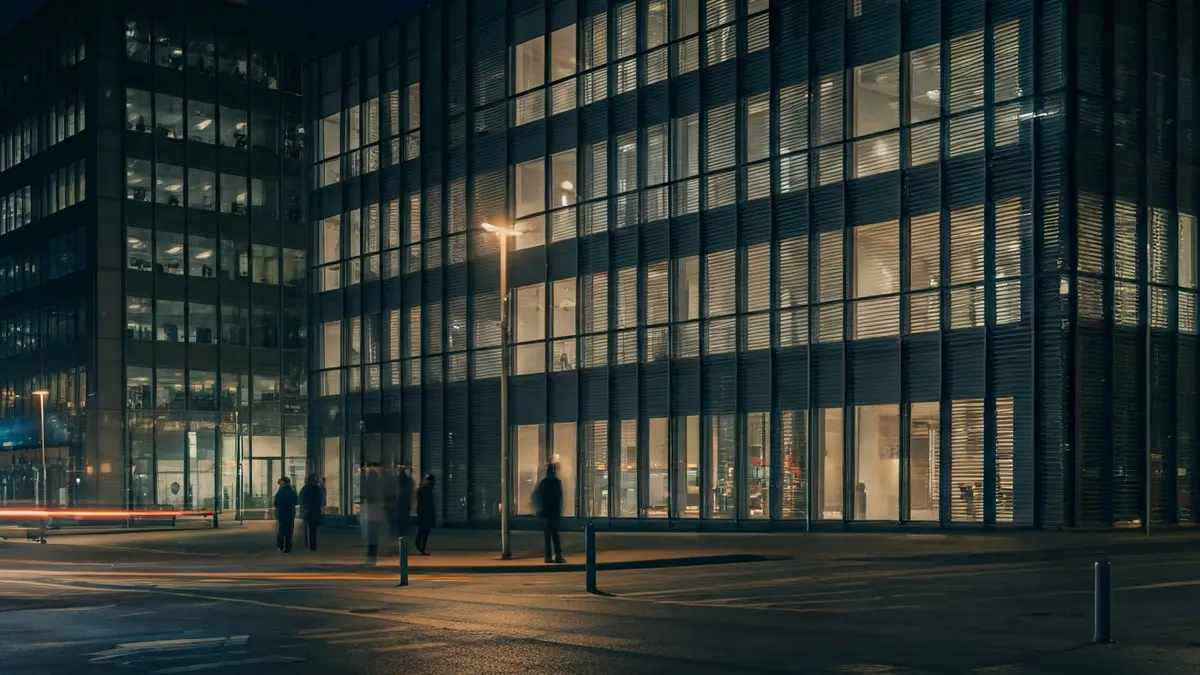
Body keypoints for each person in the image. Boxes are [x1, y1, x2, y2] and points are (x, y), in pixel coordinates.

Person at [533, 463, 565, 563]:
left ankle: (548, 556)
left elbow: (536, 495)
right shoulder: (557, 482)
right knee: (555, 534)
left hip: (546, 512)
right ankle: (558, 555)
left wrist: (539, 507)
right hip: (554, 512)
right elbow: (560, 499)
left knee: (547, 535)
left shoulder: (544, 482)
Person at [273, 476, 298, 553]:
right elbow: (296, 501)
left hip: (282, 512)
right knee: (289, 531)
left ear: (283, 482)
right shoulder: (292, 491)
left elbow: (276, 502)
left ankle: (281, 545)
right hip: (290, 512)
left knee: (281, 529)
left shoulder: (281, 491)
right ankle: (288, 547)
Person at [298, 474, 323, 551]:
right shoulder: (317, 488)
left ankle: (309, 544)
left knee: (309, 529)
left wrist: (304, 506)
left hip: (308, 511)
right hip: (314, 511)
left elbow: (301, 498)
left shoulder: (306, 488)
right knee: (313, 530)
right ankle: (313, 545)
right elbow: (320, 500)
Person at [414, 474, 436, 555]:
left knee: (422, 530)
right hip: (426, 513)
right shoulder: (428, 490)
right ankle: (421, 547)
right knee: (425, 531)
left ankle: (419, 546)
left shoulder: (421, 489)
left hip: (422, 513)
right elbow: (430, 504)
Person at [395, 466, 415, 551]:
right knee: (405, 525)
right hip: (406, 505)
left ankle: (400, 542)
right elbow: (412, 492)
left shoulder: (397, 480)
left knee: (400, 526)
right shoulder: (409, 481)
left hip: (399, 506)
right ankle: (404, 542)